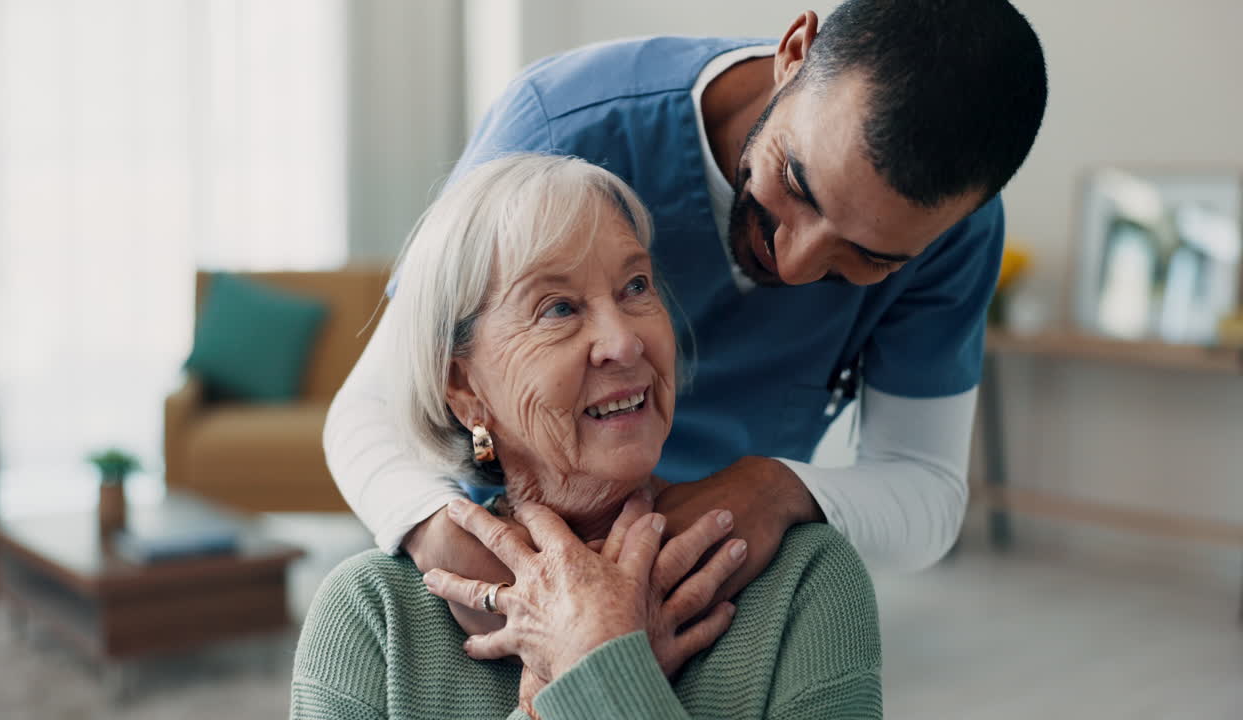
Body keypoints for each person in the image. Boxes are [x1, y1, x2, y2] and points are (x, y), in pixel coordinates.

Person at [324, 0, 1049, 632]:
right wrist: (441, 531)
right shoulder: (566, 123)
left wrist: (777, 489)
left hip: (719, 592)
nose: (795, 267)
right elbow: (377, 406)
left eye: (869, 258)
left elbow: (925, 486)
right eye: (796, 183)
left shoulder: (955, 241)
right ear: (794, 54)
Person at [292, 154, 881, 719]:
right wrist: (586, 672)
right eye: (558, 309)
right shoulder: (371, 615)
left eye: (635, 287)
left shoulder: (806, 579)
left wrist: (594, 658)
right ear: (464, 386)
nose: (625, 342)